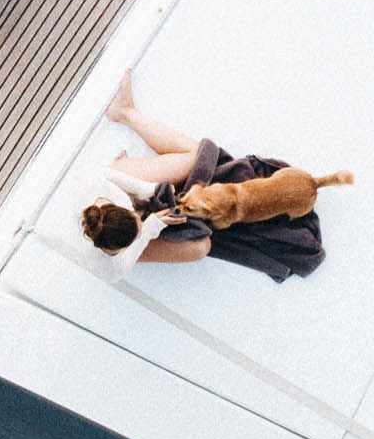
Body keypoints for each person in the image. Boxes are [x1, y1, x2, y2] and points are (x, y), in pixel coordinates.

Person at [81, 74, 349, 284]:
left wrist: (156, 193)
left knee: (199, 156)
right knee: (201, 247)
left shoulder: (100, 182)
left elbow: (149, 190)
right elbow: (132, 246)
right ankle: (126, 115)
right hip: (126, 234)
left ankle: (125, 114)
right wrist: (148, 229)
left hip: (127, 186)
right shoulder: (110, 267)